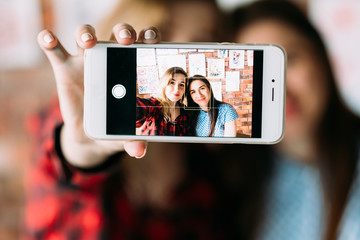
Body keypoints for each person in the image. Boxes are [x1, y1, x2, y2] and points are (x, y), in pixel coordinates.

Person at [24, 0, 269, 239]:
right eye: (165, 30)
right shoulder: (76, 115)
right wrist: (82, 151)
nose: (182, 47)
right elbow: (55, 199)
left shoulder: (210, 160)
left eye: (201, 38)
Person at [228, 1, 360, 240]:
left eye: (287, 60)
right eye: (251, 74)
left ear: (321, 55)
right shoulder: (230, 187)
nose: (277, 91)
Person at [136, 66, 193, 136]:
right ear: (164, 85)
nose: (177, 89)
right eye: (172, 83)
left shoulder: (185, 111)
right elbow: (138, 107)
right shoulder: (155, 105)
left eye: (181, 85)